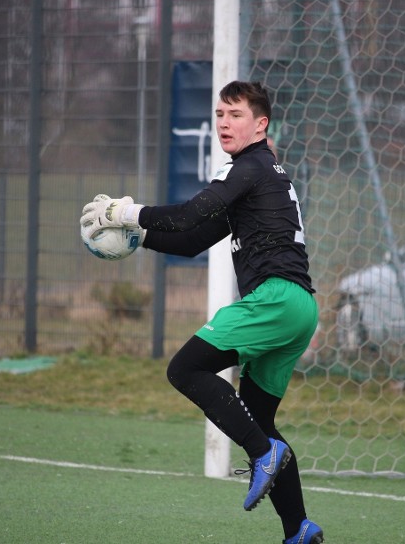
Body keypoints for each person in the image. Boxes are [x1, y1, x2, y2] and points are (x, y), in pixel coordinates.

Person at [80, 81, 324, 544]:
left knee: (185, 368)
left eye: (235, 114)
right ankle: (299, 530)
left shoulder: (251, 167)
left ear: (260, 124)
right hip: (298, 308)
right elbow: (192, 239)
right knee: (260, 418)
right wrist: (141, 237)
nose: (224, 123)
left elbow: (191, 212)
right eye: (219, 114)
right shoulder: (258, 175)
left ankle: (261, 453)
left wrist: (126, 212)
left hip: (275, 299)